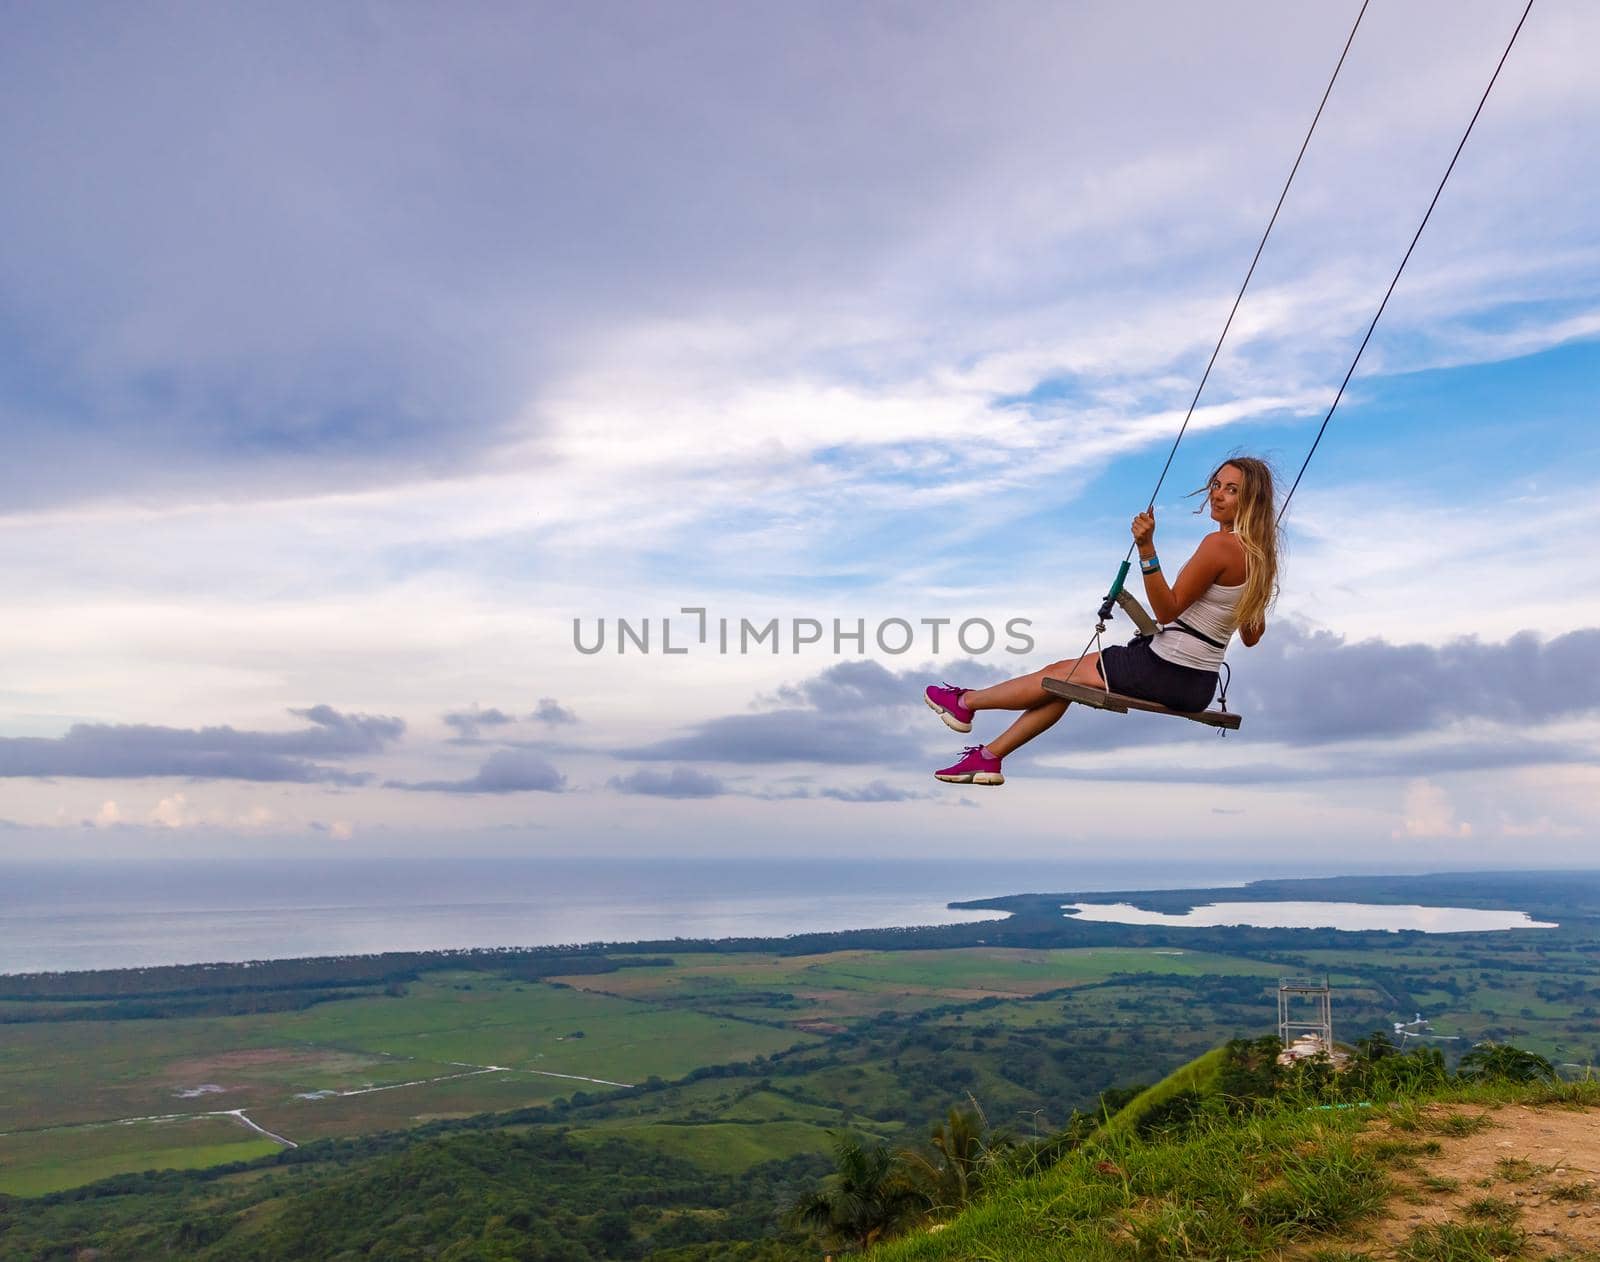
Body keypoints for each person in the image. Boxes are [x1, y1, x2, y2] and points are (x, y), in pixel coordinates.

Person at [924, 457, 1281, 785]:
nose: (1218, 495)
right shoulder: (1260, 558)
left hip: (1165, 668)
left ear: (1252, 501)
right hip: (1199, 686)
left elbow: (1167, 611)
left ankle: (966, 702)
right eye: (1216, 485)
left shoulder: (1219, 546)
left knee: (1060, 672)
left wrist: (1146, 549)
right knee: (1064, 683)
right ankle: (988, 757)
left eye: (1232, 490)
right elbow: (1251, 635)